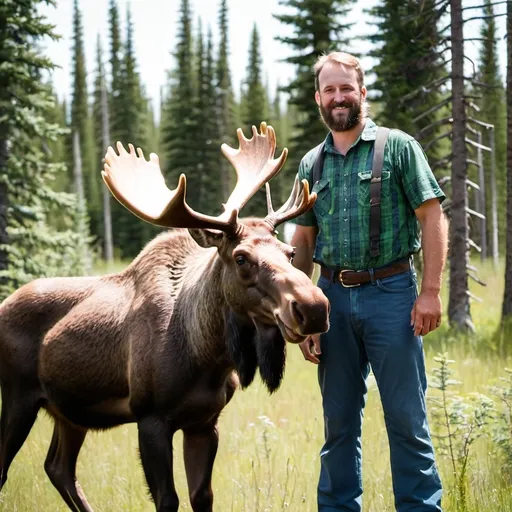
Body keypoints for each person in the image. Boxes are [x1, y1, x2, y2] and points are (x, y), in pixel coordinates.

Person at [291, 51, 447, 512]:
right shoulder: (311, 164)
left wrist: (432, 291)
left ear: (362, 92)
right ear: (319, 98)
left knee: (406, 420)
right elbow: (301, 239)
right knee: (337, 424)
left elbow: (432, 216)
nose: (338, 97)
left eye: (346, 88)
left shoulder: (397, 148)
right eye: (329, 89)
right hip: (330, 300)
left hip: (392, 297)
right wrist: (303, 314)